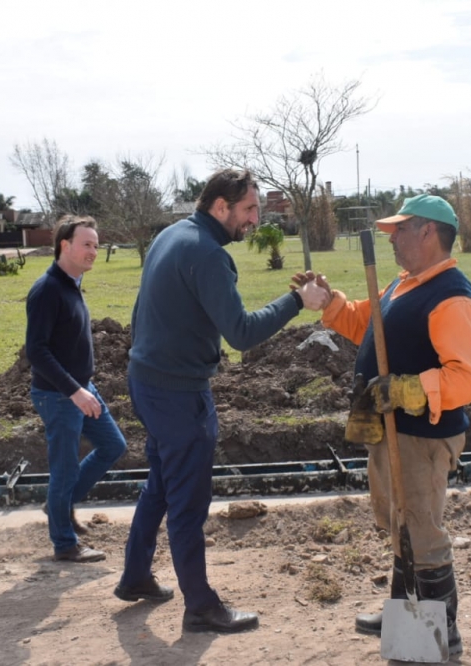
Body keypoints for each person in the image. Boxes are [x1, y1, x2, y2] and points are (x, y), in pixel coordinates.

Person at [114, 168, 329, 633]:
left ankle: (135, 575)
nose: (254, 219)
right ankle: (201, 607)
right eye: (249, 209)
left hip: (146, 380)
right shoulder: (208, 254)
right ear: (220, 206)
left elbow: (139, 311)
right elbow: (243, 334)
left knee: (162, 483)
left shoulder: (171, 235)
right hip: (177, 392)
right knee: (188, 500)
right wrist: (298, 301)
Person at [296, 194, 471, 656]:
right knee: (398, 523)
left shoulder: (451, 296)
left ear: (428, 232)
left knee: (421, 530)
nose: (391, 237)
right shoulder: (406, 284)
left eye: (400, 229)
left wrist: (409, 390)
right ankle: (404, 612)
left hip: (422, 437)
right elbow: (367, 324)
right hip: (392, 431)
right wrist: (331, 302)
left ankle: (441, 633)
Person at [26, 217, 127, 563]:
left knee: (113, 445)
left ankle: (61, 505)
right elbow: (36, 351)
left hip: (82, 388)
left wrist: (83, 388)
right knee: (64, 469)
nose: (93, 252)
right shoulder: (47, 290)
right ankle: (64, 544)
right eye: (87, 244)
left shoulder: (73, 283)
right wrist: (75, 391)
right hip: (58, 395)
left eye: (96, 245)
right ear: (64, 245)